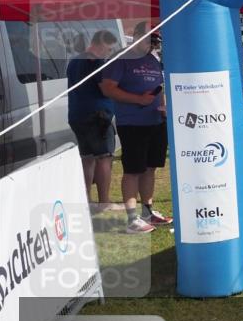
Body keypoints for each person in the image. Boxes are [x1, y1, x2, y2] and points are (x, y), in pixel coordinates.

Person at [100, 23, 172, 233]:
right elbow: (107, 88)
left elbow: (158, 89)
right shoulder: (121, 59)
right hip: (132, 123)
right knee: (133, 170)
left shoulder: (152, 60)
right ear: (138, 36)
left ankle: (147, 211)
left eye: (155, 41)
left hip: (156, 121)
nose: (153, 44)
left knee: (150, 167)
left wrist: (164, 106)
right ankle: (132, 219)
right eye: (150, 39)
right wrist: (137, 99)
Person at [67, 30, 124, 213]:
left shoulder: (75, 60)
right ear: (98, 44)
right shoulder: (97, 62)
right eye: (108, 49)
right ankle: (104, 202)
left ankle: (87, 200)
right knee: (104, 158)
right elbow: (105, 89)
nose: (109, 53)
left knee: (88, 159)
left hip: (77, 114)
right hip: (97, 116)